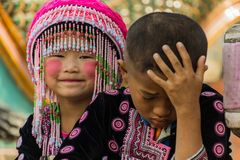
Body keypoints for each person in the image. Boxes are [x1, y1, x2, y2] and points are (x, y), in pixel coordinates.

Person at [53, 12, 232, 160]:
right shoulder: (107, 106)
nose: (161, 111)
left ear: (197, 79)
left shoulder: (210, 107)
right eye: (149, 96)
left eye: (174, 99)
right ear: (125, 73)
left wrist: (187, 107)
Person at [15, 0, 127, 159]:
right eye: (58, 55)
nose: (71, 67)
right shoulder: (36, 128)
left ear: (111, 65)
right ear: (39, 65)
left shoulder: (129, 120)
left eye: (85, 56)